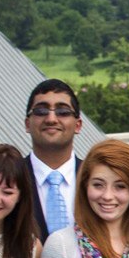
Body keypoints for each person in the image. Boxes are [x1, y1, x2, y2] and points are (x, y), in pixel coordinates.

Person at [23, 78, 82, 239]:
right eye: (41, 111)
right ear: (27, 124)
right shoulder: (10, 179)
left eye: (63, 112)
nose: (51, 119)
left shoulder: (96, 178)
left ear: (78, 125)